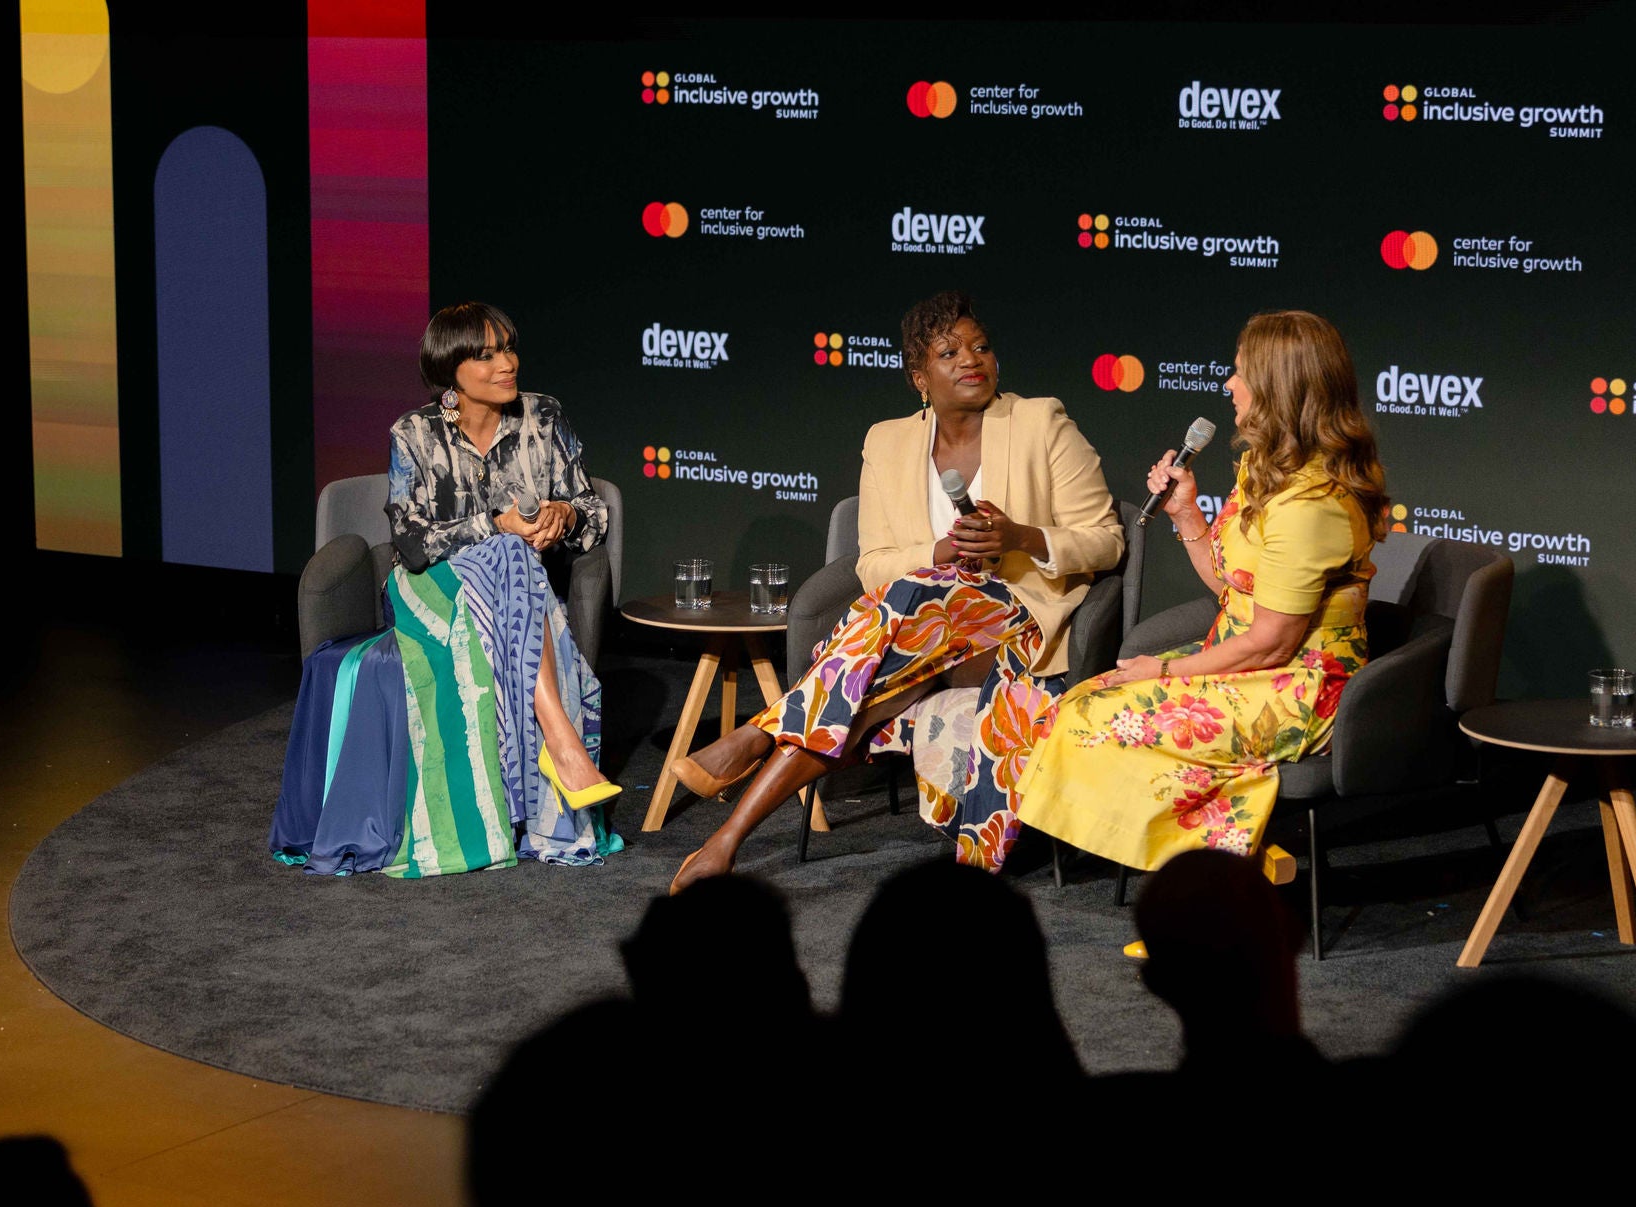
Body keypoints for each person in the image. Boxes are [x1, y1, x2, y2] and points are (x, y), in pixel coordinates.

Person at [668, 291, 1124, 889]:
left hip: (1015, 623)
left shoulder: (1041, 422)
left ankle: (760, 733)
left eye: (980, 346)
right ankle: (722, 844)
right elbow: (873, 564)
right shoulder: (886, 442)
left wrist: (1020, 536)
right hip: (919, 645)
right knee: (873, 666)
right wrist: (939, 554)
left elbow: (1107, 539)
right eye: (949, 352)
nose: (971, 359)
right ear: (920, 378)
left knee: (898, 613)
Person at [1016, 309, 1385, 874]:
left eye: (1241, 375)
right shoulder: (1265, 467)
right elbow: (1230, 591)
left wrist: (1162, 674)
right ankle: (1235, 862)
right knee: (1082, 702)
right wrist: (1187, 512)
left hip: (1299, 684)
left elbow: (1270, 644)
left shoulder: (1311, 505)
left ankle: (1215, 889)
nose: (1228, 386)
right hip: (1248, 659)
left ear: (1279, 389)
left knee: (1109, 720)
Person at [270, 302, 622, 876]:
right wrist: (495, 525)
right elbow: (409, 543)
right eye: (486, 355)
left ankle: (558, 750)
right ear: (450, 370)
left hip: (521, 594)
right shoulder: (413, 435)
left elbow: (595, 511)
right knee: (505, 547)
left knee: (512, 558)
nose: (507, 364)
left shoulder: (544, 417)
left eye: (508, 348)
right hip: (427, 593)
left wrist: (564, 515)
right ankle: (563, 744)